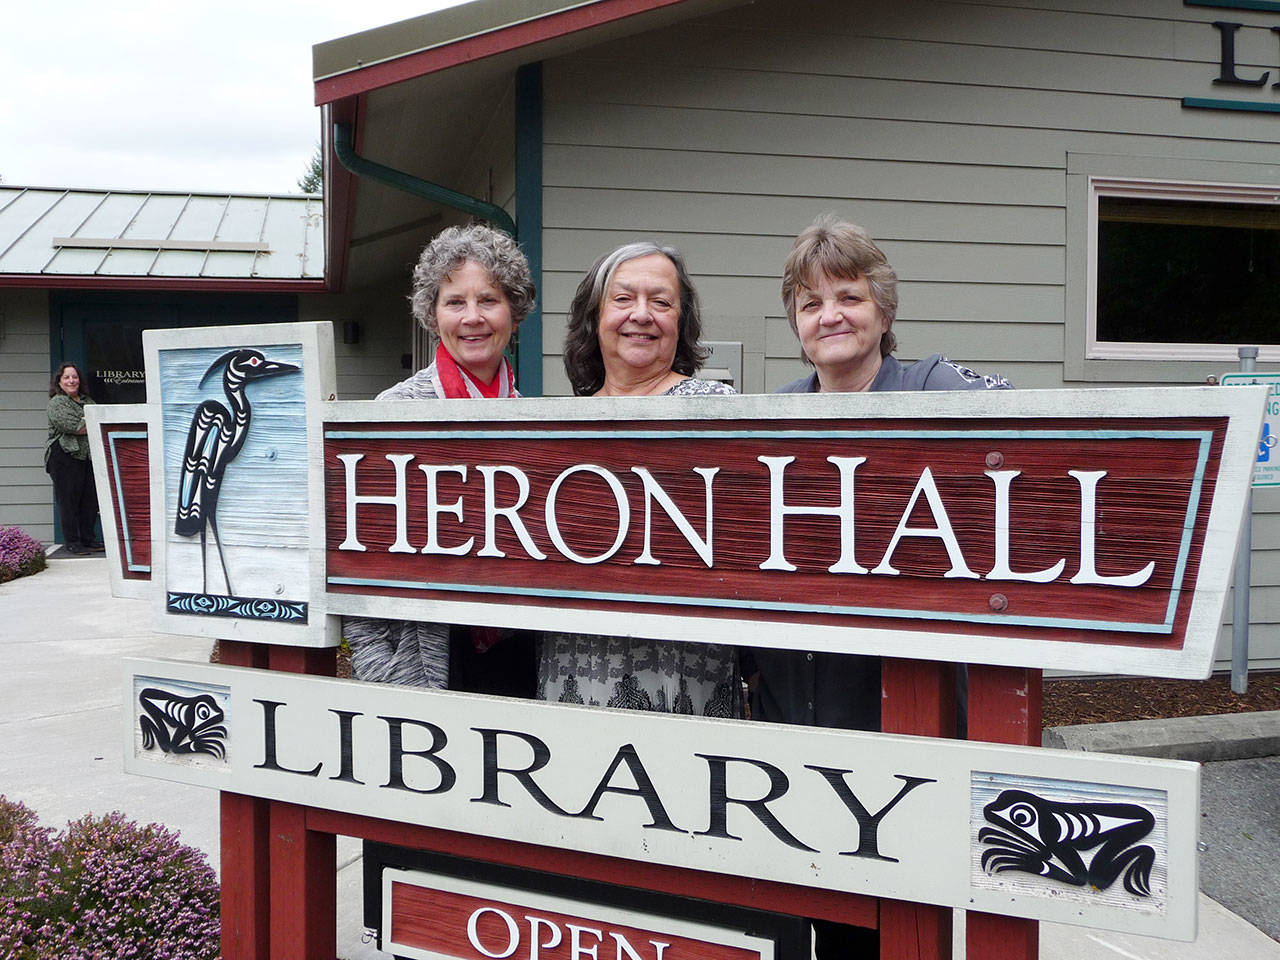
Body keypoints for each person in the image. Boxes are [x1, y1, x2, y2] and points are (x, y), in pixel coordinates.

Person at [744, 214, 1011, 958]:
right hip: (794, 719)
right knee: (811, 918)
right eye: (810, 302)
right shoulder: (777, 415)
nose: (830, 314)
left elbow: (1026, 422)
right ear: (796, 324)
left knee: (902, 923)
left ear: (883, 312)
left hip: (900, 717)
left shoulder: (932, 385)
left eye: (849, 297)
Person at [538, 241, 741, 715]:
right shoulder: (558, 426)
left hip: (684, 669)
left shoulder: (715, 407)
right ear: (595, 317)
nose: (642, 315)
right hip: (572, 664)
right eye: (623, 299)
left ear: (681, 322)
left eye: (662, 302)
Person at [342, 222, 538, 695]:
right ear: (433, 314)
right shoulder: (395, 412)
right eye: (455, 302)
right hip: (425, 663)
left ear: (513, 310)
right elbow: (358, 562)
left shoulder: (534, 419)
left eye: (488, 300)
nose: (473, 317)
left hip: (523, 653)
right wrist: (383, 674)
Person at [45, 362, 102, 556]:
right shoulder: (57, 403)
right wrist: (88, 421)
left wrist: (89, 421)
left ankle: (88, 539)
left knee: (90, 500)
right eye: (67, 377)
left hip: (88, 456)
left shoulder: (88, 401)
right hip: (64, 456)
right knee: (69, 500)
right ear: (59, 382)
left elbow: (99, 422)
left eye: (75, 377)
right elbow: (75, 427)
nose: (72, 380)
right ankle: (73, 541)